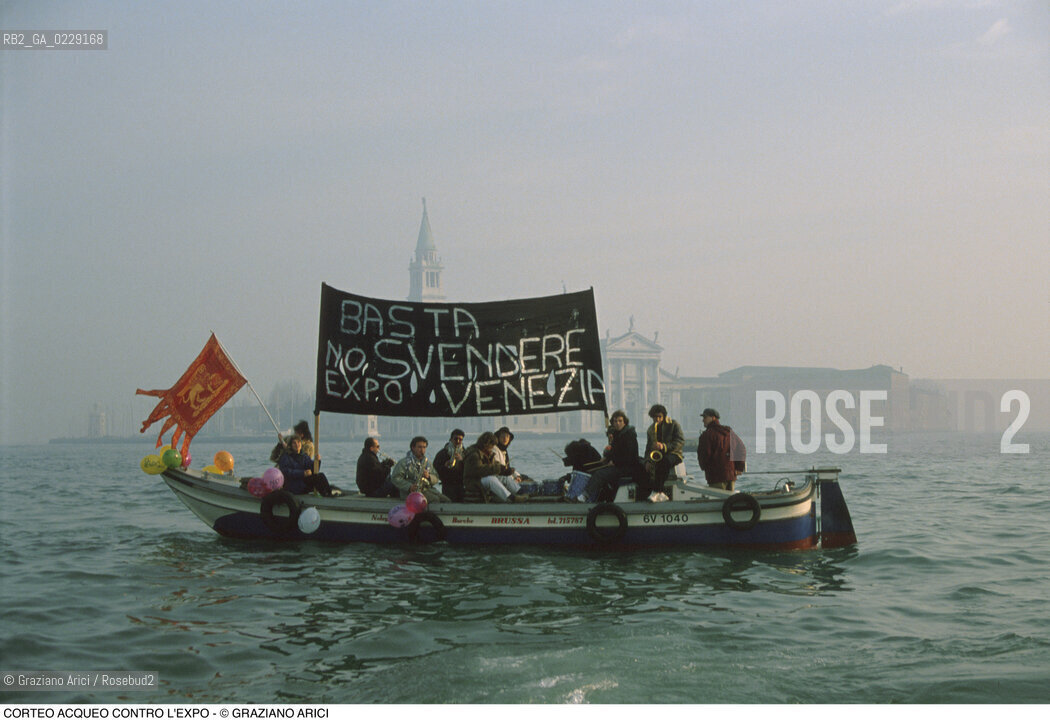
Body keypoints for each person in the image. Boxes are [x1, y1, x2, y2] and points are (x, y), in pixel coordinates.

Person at [578, 410, 644, 502]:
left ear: (624, 422)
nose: (617, 423)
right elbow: (615, 451)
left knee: (600, 474)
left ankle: (585, 496)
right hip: (620, 465)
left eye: (620, 421)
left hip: (628, 468)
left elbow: (631, 456)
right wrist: (607, 458)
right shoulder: (617, 434)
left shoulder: (630, 436)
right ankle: (601, 497)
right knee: (594, 470)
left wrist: (615, 462)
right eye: (615, 421)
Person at [462, 431, 527, 503]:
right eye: (491, 445)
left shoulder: (487, 453)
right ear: (486, 444)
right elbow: (480, 470)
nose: (492, 448)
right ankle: (511, 498)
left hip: (481, 479)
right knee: (490, 479)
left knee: (505, 478)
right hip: (473, 481)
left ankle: (521, 493)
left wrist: (505, 470)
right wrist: (498, 469)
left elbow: (495, 465)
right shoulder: (474, 454)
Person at [697, 408, 747, 491]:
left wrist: (705, 468)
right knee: (730, 501)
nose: (703, 420)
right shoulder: (728, 432)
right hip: (731, 475)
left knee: (717, 501)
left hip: (715, 477)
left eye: (705, 417)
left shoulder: (707, 435)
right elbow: (741, 449)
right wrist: (738, 467)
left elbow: (704, 455)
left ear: (713, 418)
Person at [643, 404, 684, 502]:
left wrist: (664, 446)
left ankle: (657, 491)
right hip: (659, 456)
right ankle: (659, 494)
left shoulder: (673, 424)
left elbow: (680, 441)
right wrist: (647, 461)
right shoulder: (650, 429)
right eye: (655, 417)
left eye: (659, 417)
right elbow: (648, 448)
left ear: (664, 416)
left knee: (664, 462)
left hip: (675, 454)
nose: (657, 419)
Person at [390, 436, 449, 505]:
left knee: (447, 500)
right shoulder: (404, 462)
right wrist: (409, 486)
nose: (422, 450)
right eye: (419, 447)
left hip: (427, 490)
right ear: (413, 448)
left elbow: (436, 477)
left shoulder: (427, 463)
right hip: (410, 493)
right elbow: (395, 478)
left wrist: (429, 477)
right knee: (435, 500)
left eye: (424, 447)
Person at [433, 429, 466, 502]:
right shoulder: (442, 453)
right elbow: (435, 469)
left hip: (461, 485)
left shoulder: (465, 453)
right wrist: (444, 466)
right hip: (448, 485)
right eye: (456, 439)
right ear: (451, 439)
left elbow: (470, 469)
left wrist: (462, 461)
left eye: (460, 439)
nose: (458, 441)